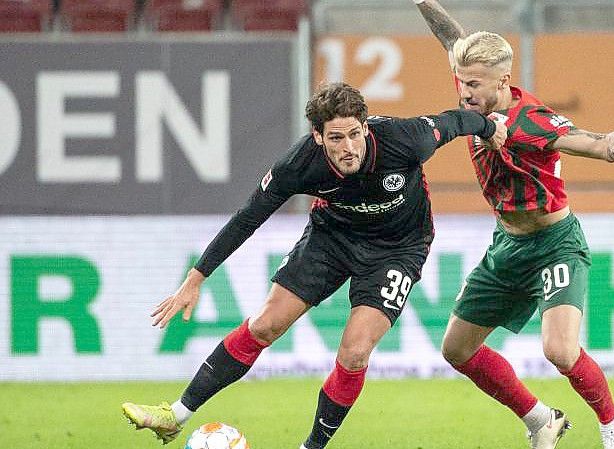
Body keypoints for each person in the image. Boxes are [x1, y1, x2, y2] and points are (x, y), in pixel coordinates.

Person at [122, 82, 507, 448]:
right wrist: (196, 277)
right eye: (336, 138)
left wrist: (489, 127)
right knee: (266, 323)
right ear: (318, 136)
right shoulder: (298, 165)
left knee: (355, 352)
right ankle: (176, 415)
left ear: (366, 126)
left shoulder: (406, 139)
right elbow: (246, 219)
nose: (349, 147)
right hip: (332, 237)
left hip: (399, 248)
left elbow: (457, 120)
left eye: (355, 134)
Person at [412, 1, 614, 448]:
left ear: (502, 81)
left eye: (473, 84)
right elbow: (449, 36)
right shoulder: (473, 85)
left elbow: (600, 146)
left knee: (559, 350)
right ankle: (540, 418)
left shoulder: (531, 120)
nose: (464, 92)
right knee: (456, 350)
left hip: (554, 243)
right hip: (507, 246)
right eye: (461, 81)